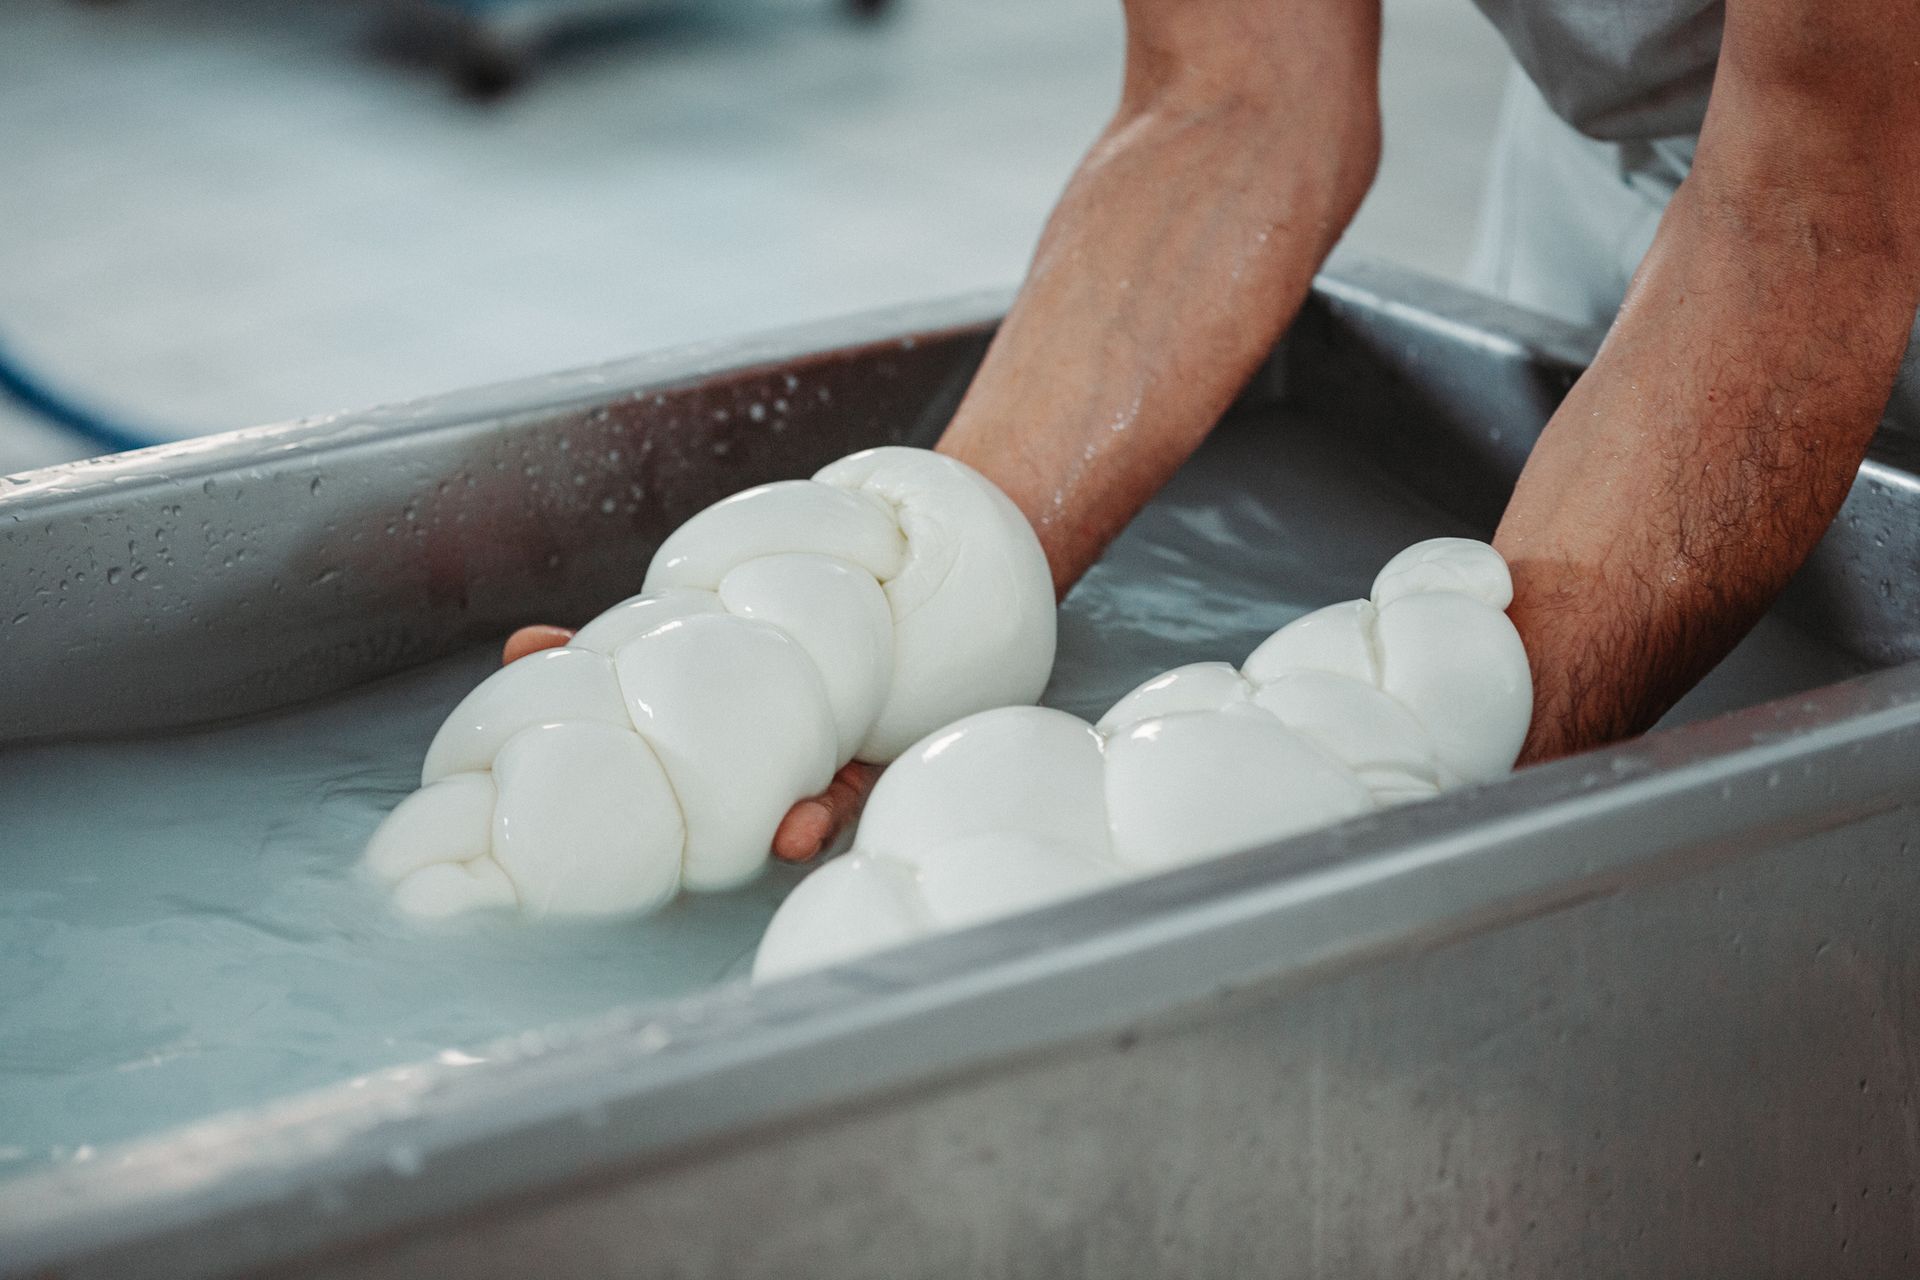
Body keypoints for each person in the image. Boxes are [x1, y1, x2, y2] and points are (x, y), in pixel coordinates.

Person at [507, 0, 1920, 862]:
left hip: (1828, 202)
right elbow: (1237, 91)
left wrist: (1418, 770)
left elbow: (1807, 209)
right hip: (1637, 184)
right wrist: (898, 614)